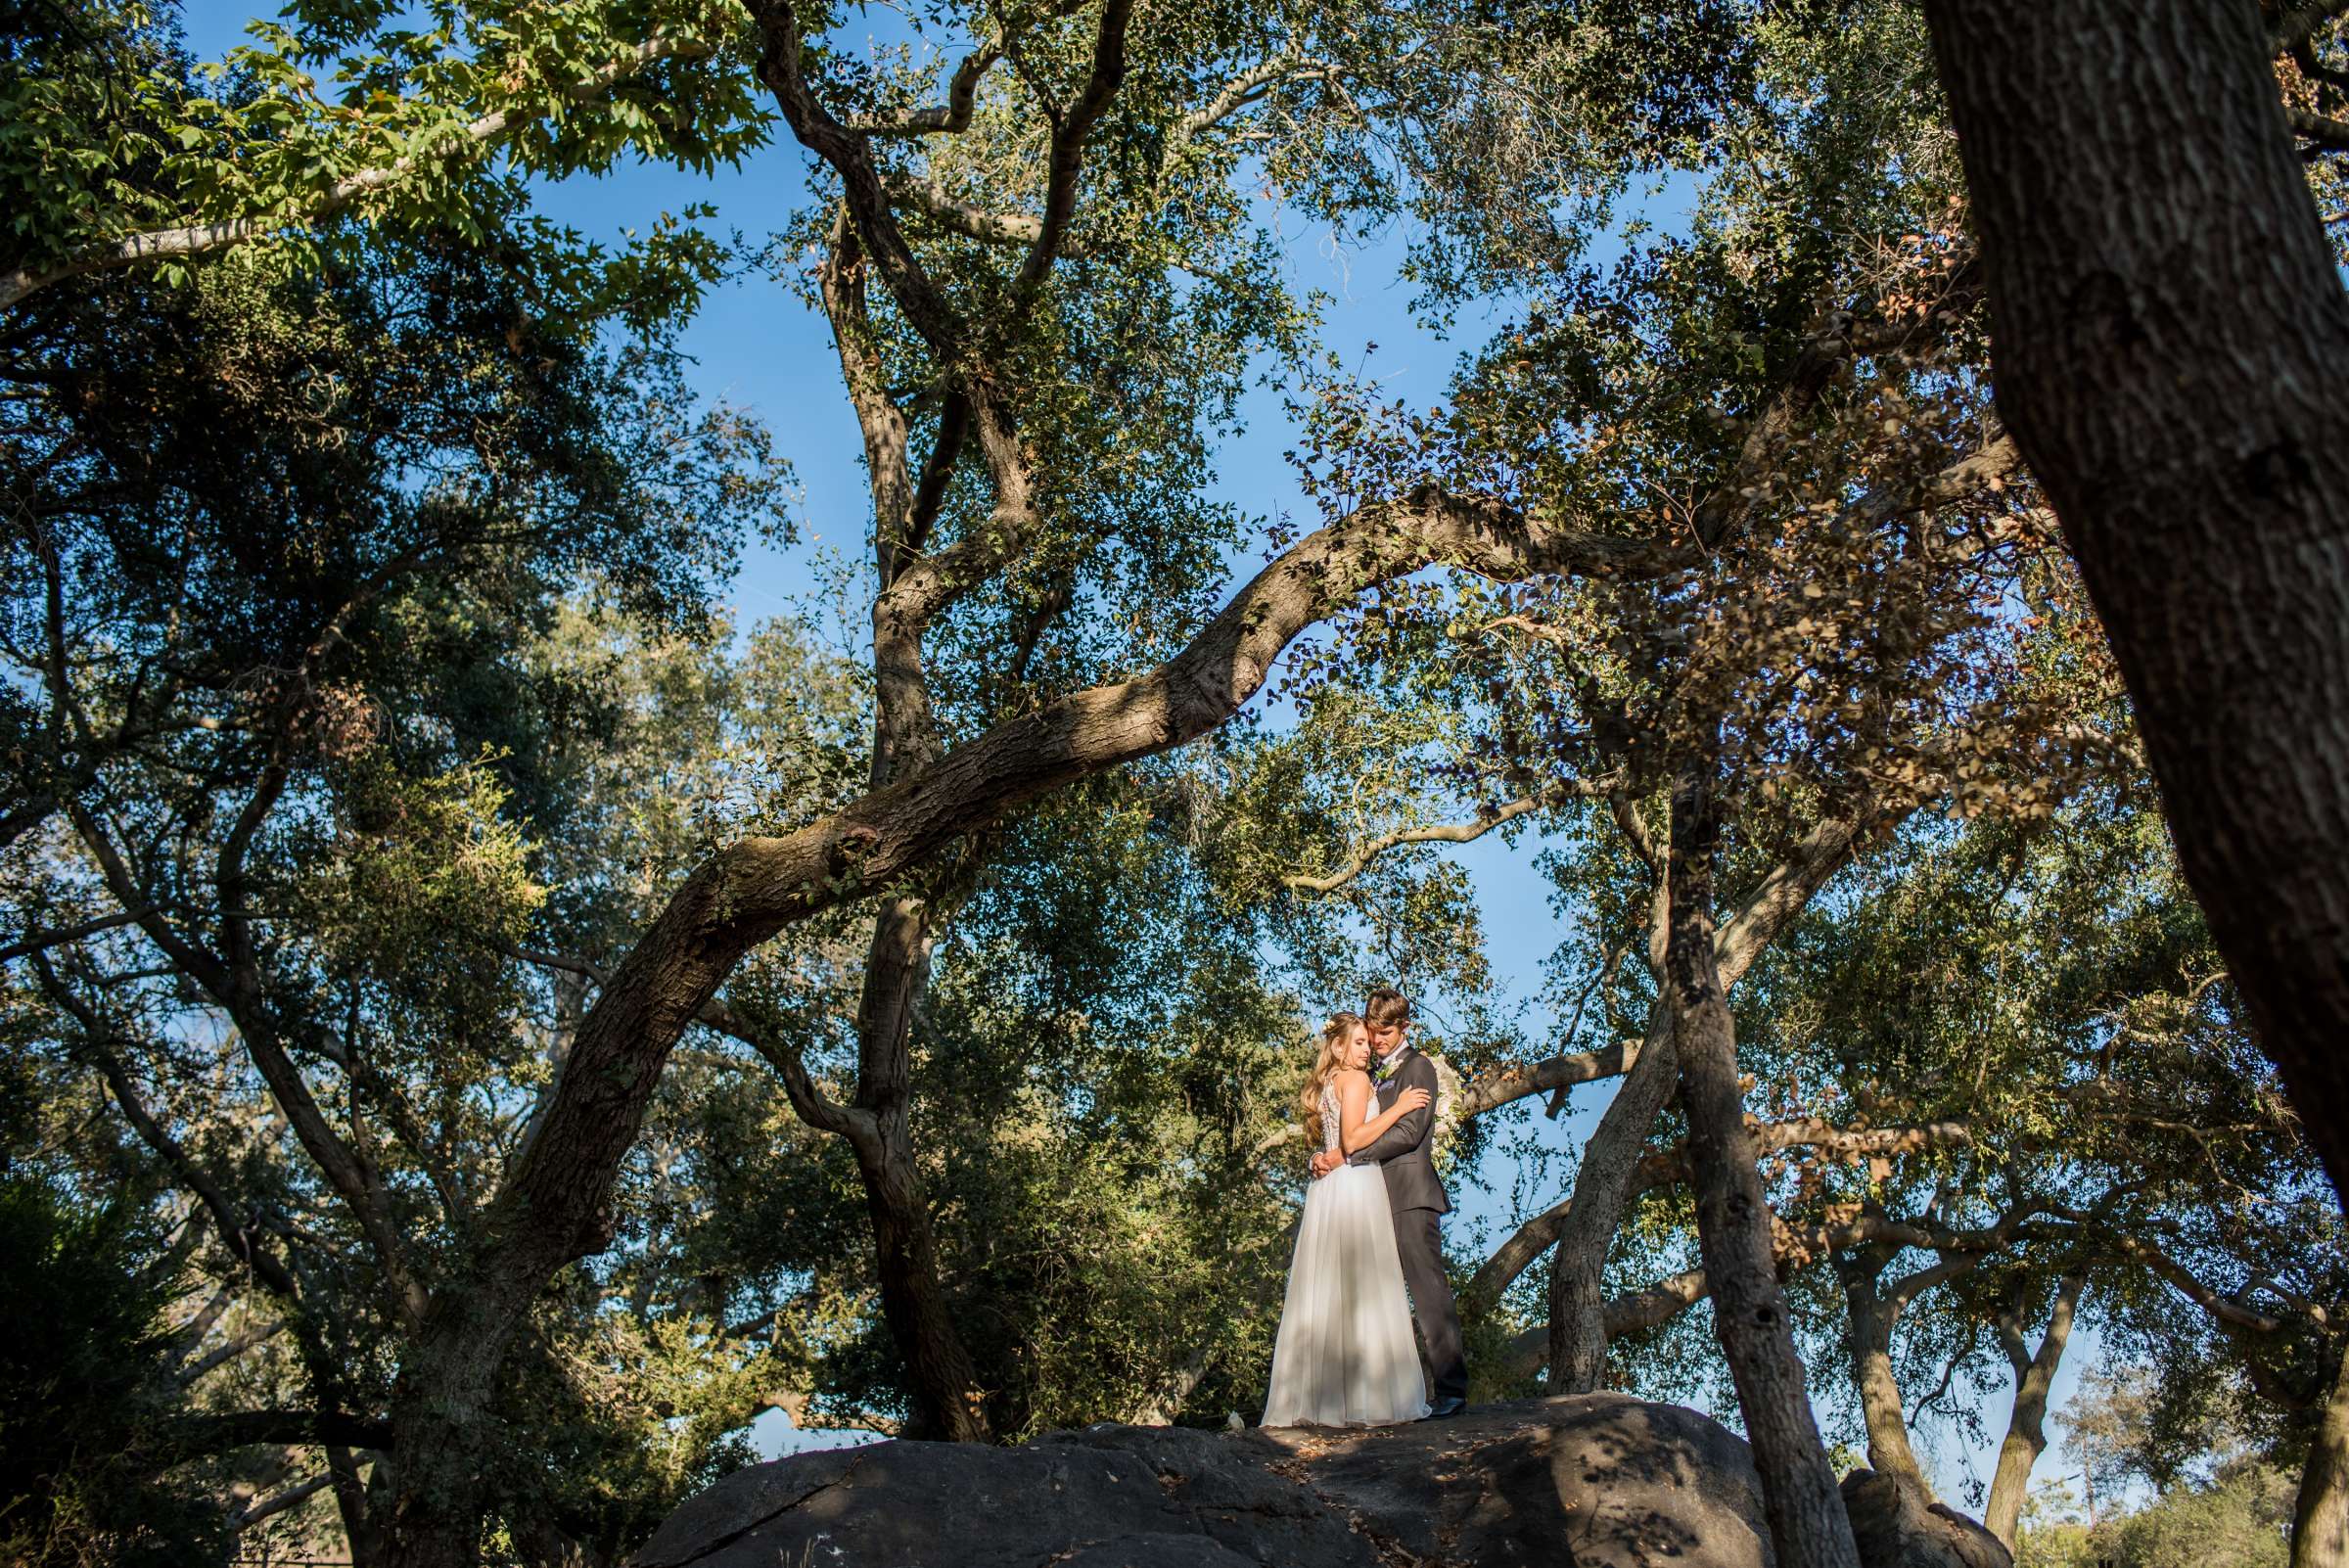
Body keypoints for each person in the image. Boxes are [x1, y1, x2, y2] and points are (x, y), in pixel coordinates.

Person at [1260, 1013, 1433, 1427]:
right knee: (1364, 1283)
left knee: (1328, 1287)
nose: (1366, 1049)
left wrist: (1317, 1158)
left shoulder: (1328, 1085)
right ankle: (1367, 1400)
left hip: (1329, 1190)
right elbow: (1353, 1140)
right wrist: (1402, 1107)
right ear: (1338, 1047)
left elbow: (1331, 1143)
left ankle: (1322, 1401)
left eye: (1367, 1043)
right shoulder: (1354, 1081)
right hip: (1355, 1185)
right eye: (1357, 1042)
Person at [1310, 986, 1469, 1418]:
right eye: (1372, 1033)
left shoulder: (1419, 1068)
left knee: (1428, 1290)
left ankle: (1452, 1390)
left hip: (1410, 1196)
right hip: (1373, 1197)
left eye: (1384, 1033)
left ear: (1405, 1027)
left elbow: (1409, 1134)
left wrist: (1347, 1155)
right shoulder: (1370, 1073)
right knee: (1373, 1296)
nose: (1377, 1041)